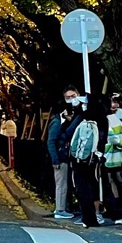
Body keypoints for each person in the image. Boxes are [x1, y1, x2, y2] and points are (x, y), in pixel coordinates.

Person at [62, 90, 106, 228]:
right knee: (96, 187)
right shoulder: (102, 119)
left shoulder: (83, 118)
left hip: (81, 158)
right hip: (95, 157)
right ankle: (100, 213)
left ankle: (88, 217)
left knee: (83, 188)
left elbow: (68, 132)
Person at [101, 94, 122, 224]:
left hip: (109, 154)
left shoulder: (109, 119)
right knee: (119, 180)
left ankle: (115, 207)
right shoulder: (117, 118)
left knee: (112, 181)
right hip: (119, 154)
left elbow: (112, 137)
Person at [47, 87, 76, 221]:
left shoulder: (59, 122)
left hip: (63, 156)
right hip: (60, 157)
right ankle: (60, 209)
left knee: (63, 183)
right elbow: (51, 141)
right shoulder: (57, 122)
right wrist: (55, 160)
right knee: (61, 184)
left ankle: (61, 208)